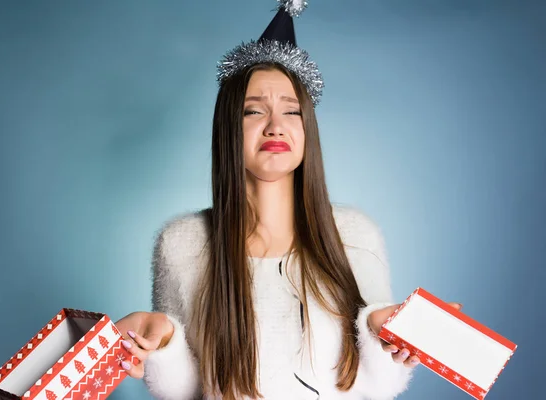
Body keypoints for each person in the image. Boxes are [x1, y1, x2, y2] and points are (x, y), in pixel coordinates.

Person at [115, 1, 461, 399]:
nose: (275, 125)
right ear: (228, 129)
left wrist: (382, 330)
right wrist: (163, 340)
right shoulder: (182, 243)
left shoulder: (354, 234)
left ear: (306, 128)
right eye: (253, 112)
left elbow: (380, 388)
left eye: (291, 111)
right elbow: (187, 392)